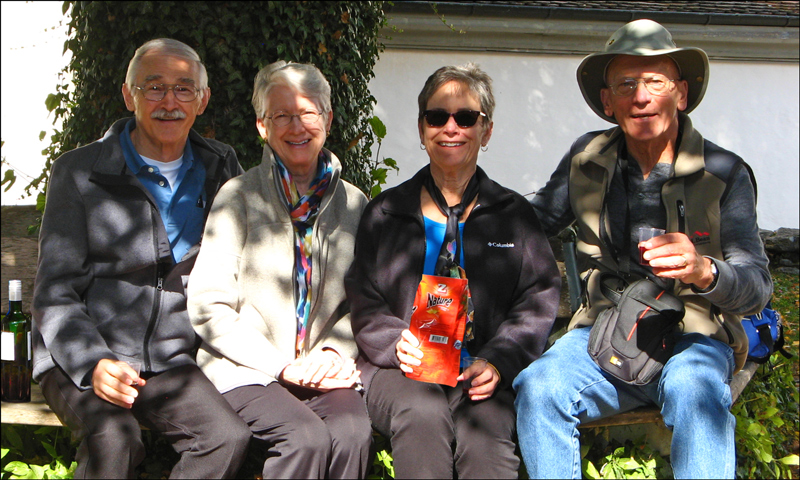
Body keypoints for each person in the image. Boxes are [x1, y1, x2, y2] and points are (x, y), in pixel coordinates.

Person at [513, 19, 772, 479]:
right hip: (603, 334)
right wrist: (457, 210)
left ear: (682, 94)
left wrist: (705, 272)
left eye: (655, 81)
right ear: (608, 102)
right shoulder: (586, 160)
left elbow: (756, 286)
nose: (641, 96)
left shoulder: (724, 174)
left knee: (695, 389)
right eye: (626, 83)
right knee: (539, 386)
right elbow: (526, 225)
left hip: (693, 337)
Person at [31, 38, 251, 479]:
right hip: (87, 352)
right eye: (154, 87)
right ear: (129, 95)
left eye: (184, 89)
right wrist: (92, 361)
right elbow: (56, 291)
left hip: (172, 361)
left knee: (227, 439)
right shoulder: (79, 171)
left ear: (202, 101)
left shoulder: (220, 167)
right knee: (113, 438)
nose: (169, 102)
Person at [345, 63, 561, 479]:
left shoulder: (513, 214)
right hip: (400, 370)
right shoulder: (386, 212)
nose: (451, 127)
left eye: (466, 118)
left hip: (479, 368)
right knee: (421, 414)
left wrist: (498, 361)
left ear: (487, 131)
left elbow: (537, 297)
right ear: (422, 128)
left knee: (488, 434)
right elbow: (362, 295)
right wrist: (396, 342)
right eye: (437, 116)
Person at [187, 61, 372, 479]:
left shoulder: (356, 205)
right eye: (282, 115)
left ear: (327, 118)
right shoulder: (238, 197)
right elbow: (206, 304)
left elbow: (362, 303)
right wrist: (280, 365)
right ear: (262, 126)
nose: (296, 126)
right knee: (304, 438)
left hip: (324, 367)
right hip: (246, 367)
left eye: (308, 112)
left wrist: (333, 354)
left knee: (352, 432)